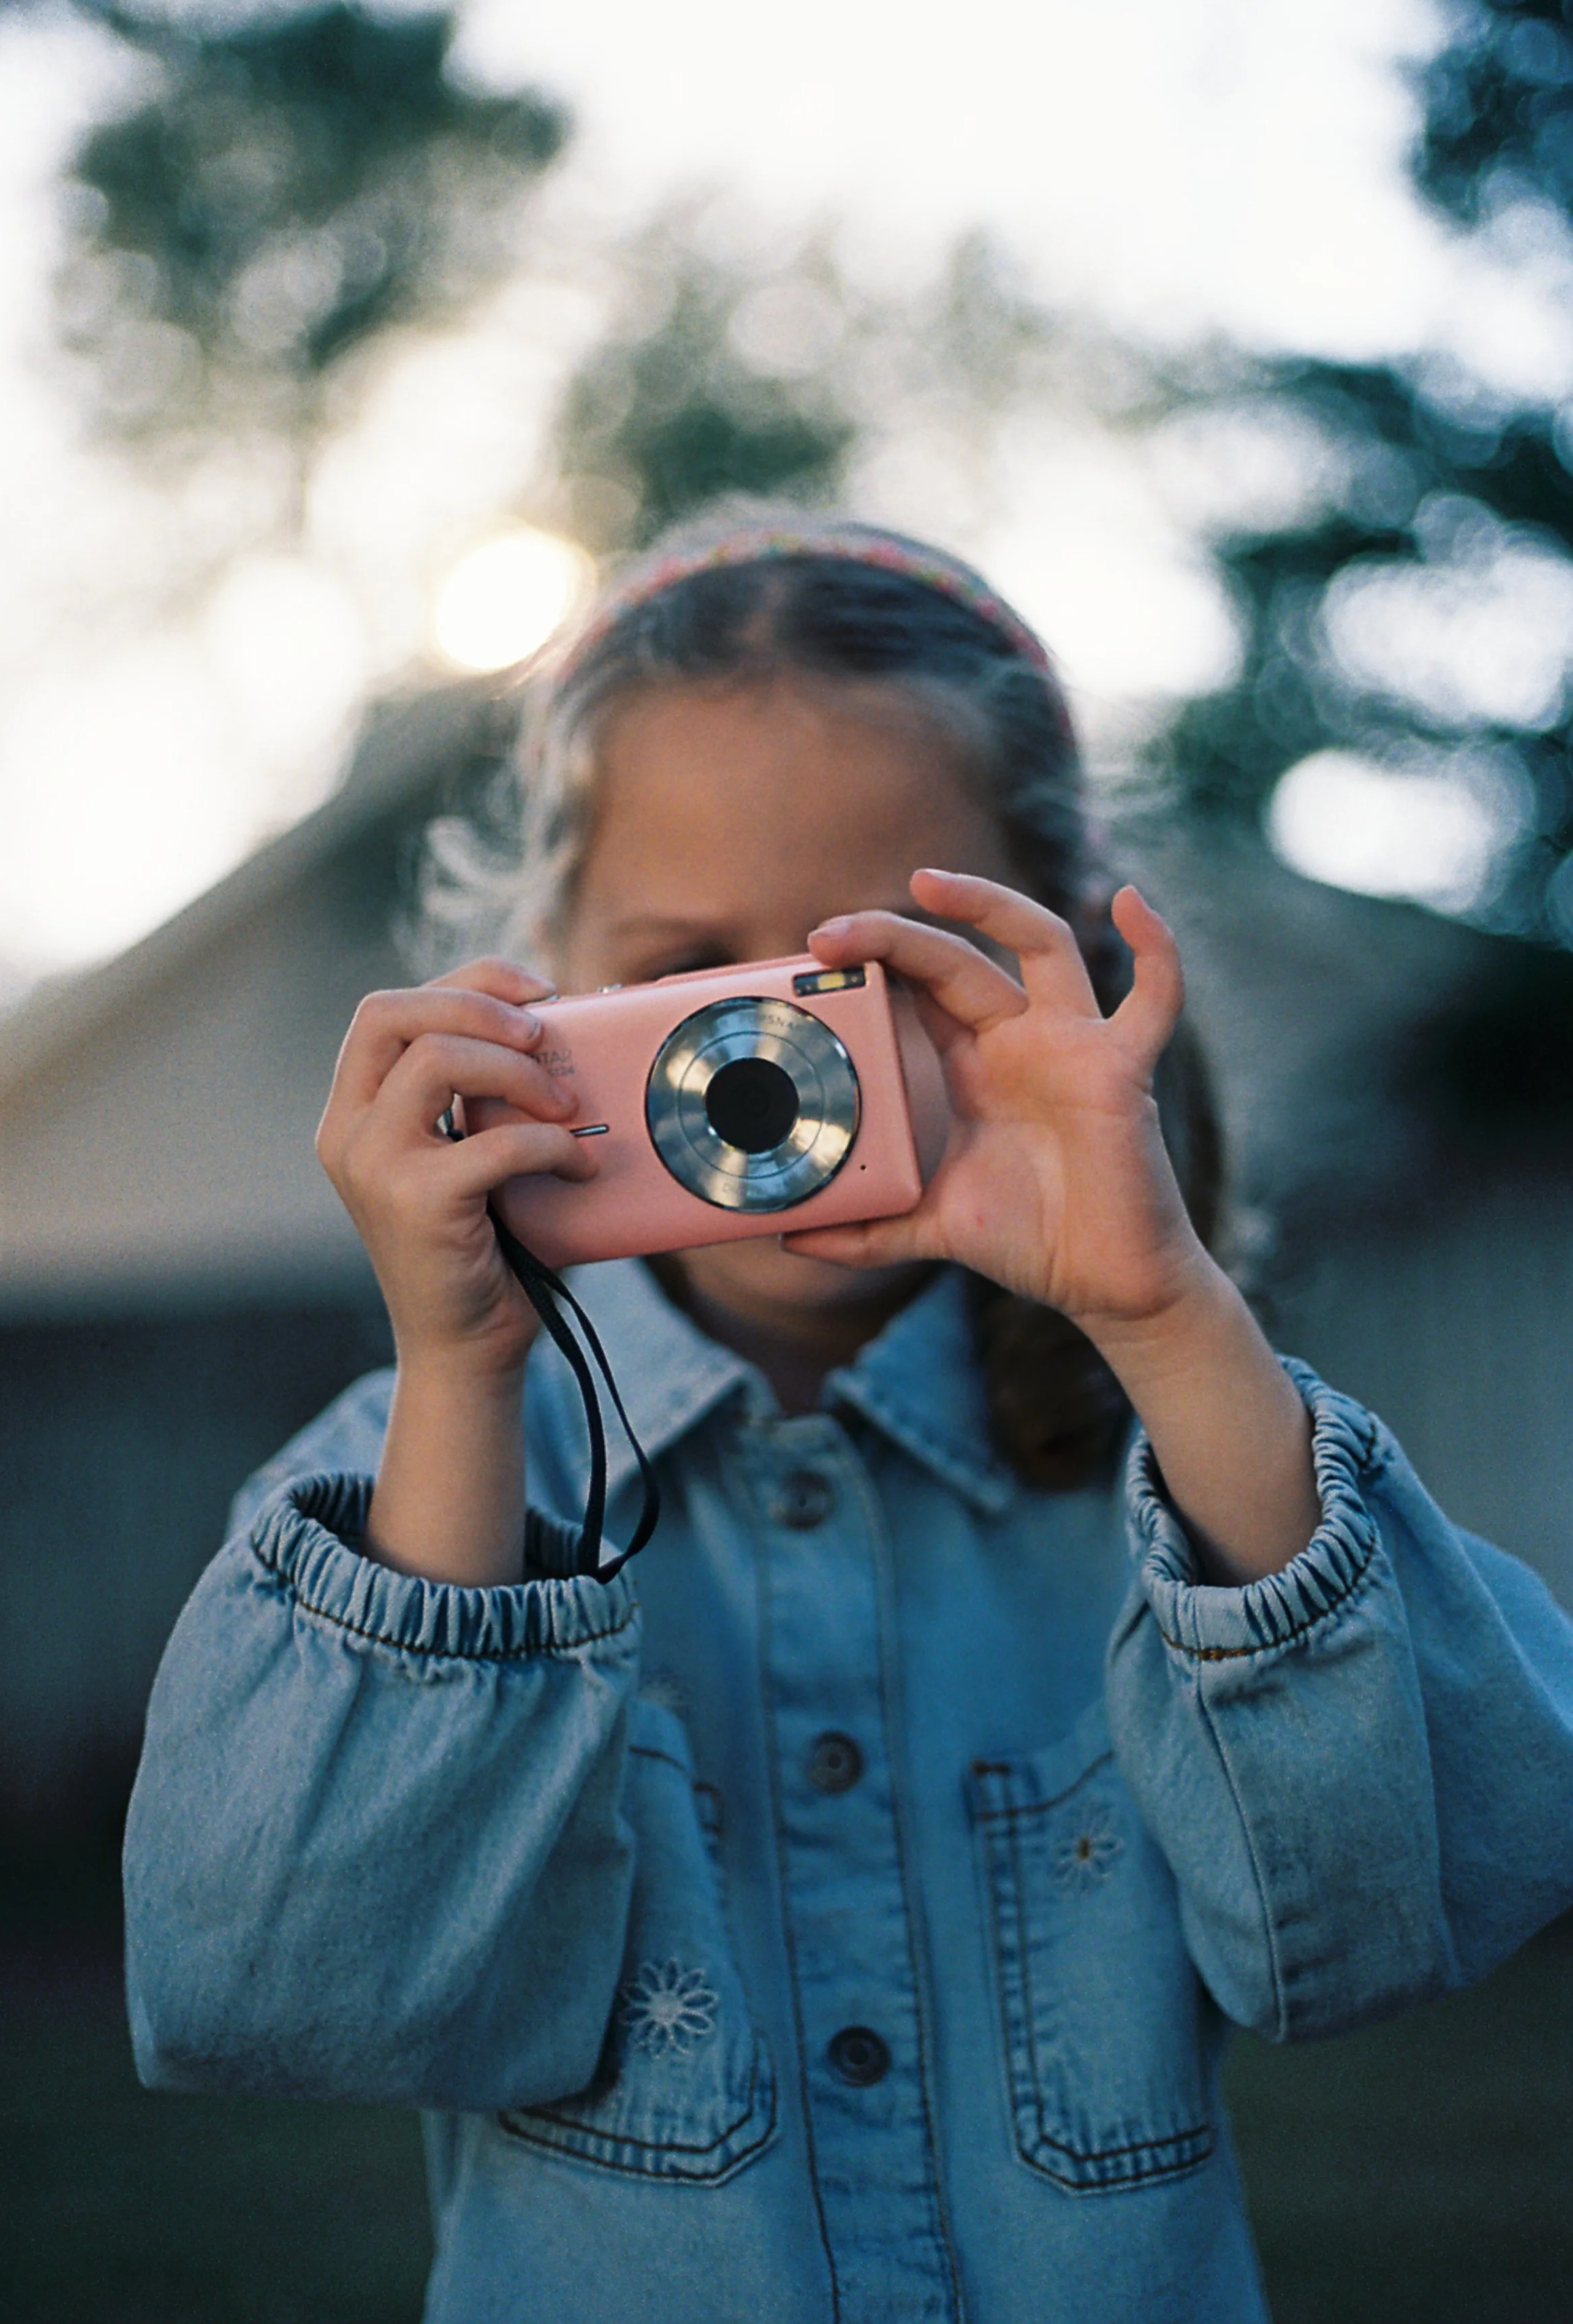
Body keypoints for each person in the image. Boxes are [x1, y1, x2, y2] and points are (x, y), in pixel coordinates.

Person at [124, 508, 1573, 2324]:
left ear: (1059, 978)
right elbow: (296, 1989)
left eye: (868, 973)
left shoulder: (1182, 1458)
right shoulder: (431, 1452)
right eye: (692, 971)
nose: (773, 1058)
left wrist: (1165, 1315)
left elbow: (1441, 1885)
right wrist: (464, 1370)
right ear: (540, 985)